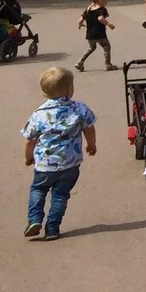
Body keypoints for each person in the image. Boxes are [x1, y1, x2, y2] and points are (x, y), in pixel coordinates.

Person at [21, 66, 96, 240]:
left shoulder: (39, 114)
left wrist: (28, 156)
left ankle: (34, 219)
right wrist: (91, 145)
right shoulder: (79, 109)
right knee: (60, 195)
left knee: (38, 189)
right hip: (70, 164)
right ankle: (53, 228)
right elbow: (89, 128)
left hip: (45, 165)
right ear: (69, 89)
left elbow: (30, 140)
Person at [75, 0, 115, 72]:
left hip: (90, 34)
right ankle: (108, 64)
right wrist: (109, 24)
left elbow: (80, 19)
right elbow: (100, 18)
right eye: (106, 1)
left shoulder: (88, 9)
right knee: (106, 47)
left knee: (91, 48)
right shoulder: (101, 9)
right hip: (100, 33)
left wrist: (80, 25)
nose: (106, 3)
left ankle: (80, 62)